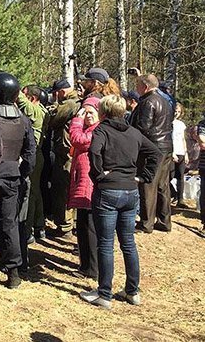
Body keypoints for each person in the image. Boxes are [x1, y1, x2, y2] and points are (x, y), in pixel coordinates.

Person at [80, 95, 161, 309]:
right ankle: (132, 291)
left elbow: (94, 153)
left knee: (105, 244)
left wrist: (98, 176)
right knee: (128, 243)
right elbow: (155, 153)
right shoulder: (134, 133)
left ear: (103, 111)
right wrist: (144, 177)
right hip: (130, 191)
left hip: (108, 192)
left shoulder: (101, 131)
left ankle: (104, 294)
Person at [0, 72, 36, 287]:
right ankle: (13, 272)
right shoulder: (23, 120)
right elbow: (30, 154)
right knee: (9, 224)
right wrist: (22, 173)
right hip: (12, 177)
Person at [130, 74, 174, 233]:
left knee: (148, 183)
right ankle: (164, 221)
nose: (136, 89)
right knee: (163, 185)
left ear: (145, 86)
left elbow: (143, 128)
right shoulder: (166, 101)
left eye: (138, 85)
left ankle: (146, 223)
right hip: (166, 146)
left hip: (152, 148)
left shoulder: (148, 102)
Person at [68, 96, 101, 279]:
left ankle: (92, 268)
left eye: (91, 113)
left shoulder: (96, 131)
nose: (87, 116)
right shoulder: (89, 128)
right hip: (81, 181)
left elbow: (78, 139)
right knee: (82, 225)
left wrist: (77, 120)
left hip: (88, 183)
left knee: (89, 227)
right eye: (85, 112)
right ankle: (85, 264)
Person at [47, 78, 81, 237]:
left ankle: (66, 226)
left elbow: (52, 120)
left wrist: (54, 106)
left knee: (63, 190)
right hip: (71, 152)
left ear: (60, 92)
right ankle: (71, 223)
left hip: (66, 153)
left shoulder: (69, 104)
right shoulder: (77, 101)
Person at [18, 85, 49, 242]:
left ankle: (27, 230)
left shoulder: (36, 110)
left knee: (29, 194)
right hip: (36, 155)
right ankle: (38, 225)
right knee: (35, 193)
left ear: (32, 98)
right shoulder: (40, 109)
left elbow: (22, 102)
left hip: (33, 155)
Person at [171, 103, 189, 208]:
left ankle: (180, 199)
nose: (176, 113)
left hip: (181, 152)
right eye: (175, 111)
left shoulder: (181, 124)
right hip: (172, 152)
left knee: (180, 176)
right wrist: (172, 152)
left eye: (178, 112)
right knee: (170, 175)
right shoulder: (168, 123)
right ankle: (173, 194)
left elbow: (183, 139)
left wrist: (186, 153)